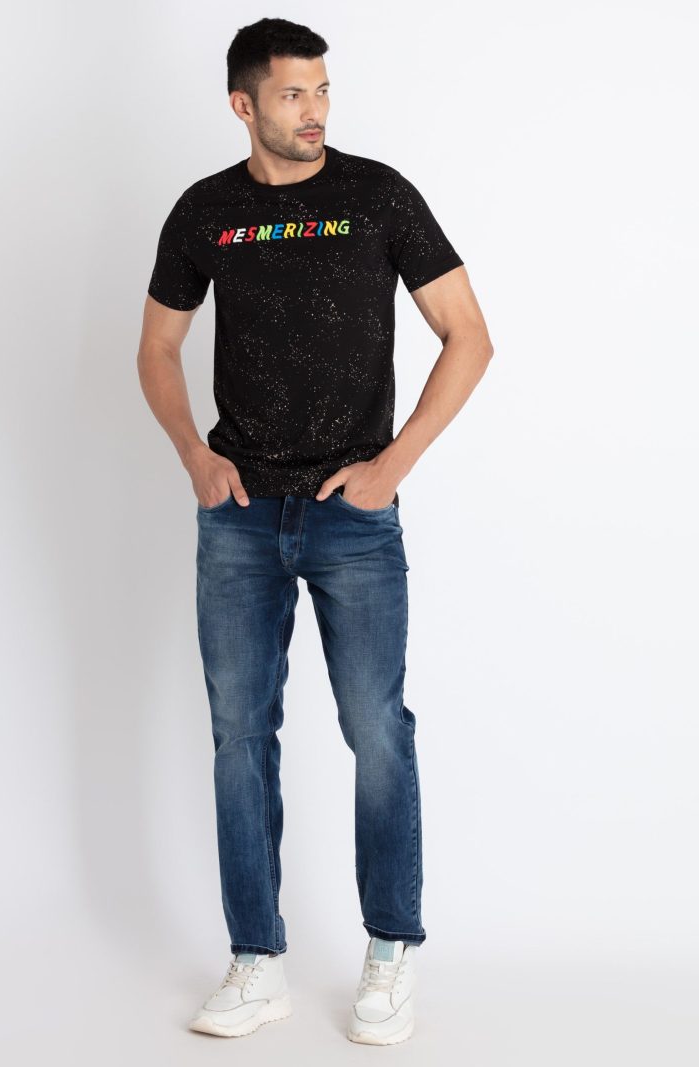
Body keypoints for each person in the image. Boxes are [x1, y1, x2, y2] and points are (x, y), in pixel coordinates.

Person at [137, 17, 493, 1046]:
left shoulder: (378, 196)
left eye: (323, 90)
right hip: (239, 517)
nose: (315, 111)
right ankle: (256, 960)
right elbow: (157, 348)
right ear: (243, 104)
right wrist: (193, 456)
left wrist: (393, 467)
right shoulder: (206, 211)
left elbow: (468, 336)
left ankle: (391, 949)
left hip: (354, 518)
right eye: (293, 94)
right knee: (240, 737)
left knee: (377, 727)